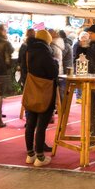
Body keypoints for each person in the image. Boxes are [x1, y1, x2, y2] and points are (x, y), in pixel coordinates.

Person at [23, 29, 58, 166]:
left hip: (31, 90)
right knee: (41, 125)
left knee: (30, 123)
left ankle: (30, 154)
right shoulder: (45, 52)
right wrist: (55, 62)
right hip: (45, 91)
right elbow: (53, 72)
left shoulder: (28, 50)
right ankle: (40, 157)